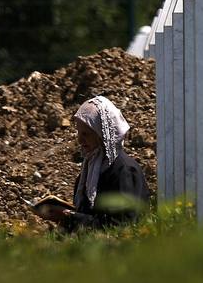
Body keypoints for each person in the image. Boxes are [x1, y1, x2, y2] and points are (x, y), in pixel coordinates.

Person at [38, 95, 149, 231]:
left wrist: (70, 217)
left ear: (101, 134)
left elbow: (121, 225)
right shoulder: (90, 170)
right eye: (78, 132)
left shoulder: (124, 171)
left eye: (86, 134)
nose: (79, 140)